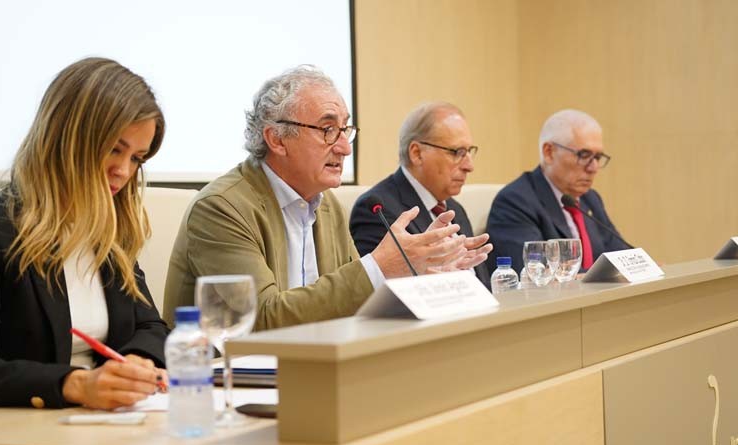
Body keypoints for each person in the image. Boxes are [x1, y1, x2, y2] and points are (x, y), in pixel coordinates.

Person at [164, 66, 488, 331]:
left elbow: (353, 304)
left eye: (345, 130)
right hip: (228, 382)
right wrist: (379, 266)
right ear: (276, 138)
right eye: (327, 129)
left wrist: (427, 277)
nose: (345, 147)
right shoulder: (222, 207)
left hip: (314, 368)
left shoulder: (327, 205)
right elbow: (261, 320)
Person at [0, 58, 169, 411]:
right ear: (68, 140)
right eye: (115, 149)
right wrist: (76, 385)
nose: (123, 171)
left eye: (137, 159)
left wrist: (137, 361)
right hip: (10, 435)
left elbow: (152, 327)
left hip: (102, 427)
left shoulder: (107, 232)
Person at [349, 102, 491, 288]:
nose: (469, 166)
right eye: (457, 152)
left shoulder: (455, 209)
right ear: (417, 153)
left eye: (469, 152)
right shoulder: (378, 210)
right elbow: (386, 296)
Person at [485, 109, 629, 273]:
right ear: (549, 152)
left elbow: (619, 255)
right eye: (584, 155)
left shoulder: (590, 199)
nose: (594, 167)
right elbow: (535, 274)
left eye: (597, 157)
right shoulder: (515, 202)